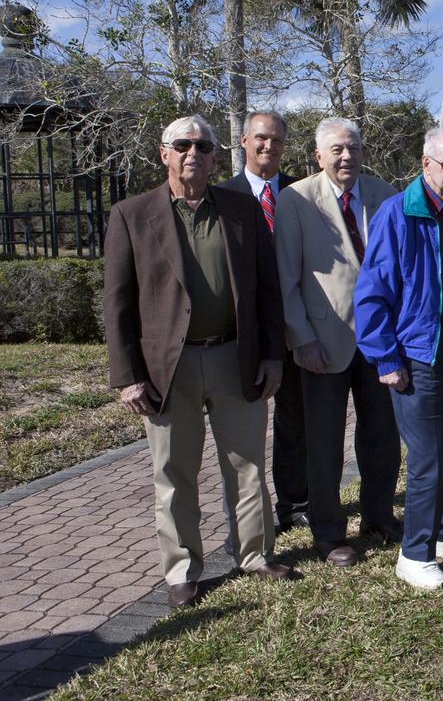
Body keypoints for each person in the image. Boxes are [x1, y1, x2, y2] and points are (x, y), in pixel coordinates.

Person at [103, 115, 291, 609]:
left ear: (214, 155)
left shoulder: (241, 209)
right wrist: (128, 378)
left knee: (248, 466)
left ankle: (254, 554)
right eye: (182, 144)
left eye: (203, 146)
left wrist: (273, 354)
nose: (193, 153)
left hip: (236, 357)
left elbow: (268, 291)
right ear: (163, 153)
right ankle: (182, 568)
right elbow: (117, 304)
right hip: (170, 367)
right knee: (174, 472)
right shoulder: (131, 215)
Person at [354, 127, 443, 590]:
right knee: (428, 457)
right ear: (425, 164)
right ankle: (414, 554)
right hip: (417, 352)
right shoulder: (397, 214)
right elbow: (372, 292)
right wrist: (384, 358)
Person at [274, 117, 402, 567]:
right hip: (322, 344)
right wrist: (301, 338)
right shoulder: (295, 199)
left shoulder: (385, 194)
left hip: (381, 342)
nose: (346, 156)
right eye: (337, 150)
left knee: (383, 436)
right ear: (319, 155)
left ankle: (379, 517)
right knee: (324, 442)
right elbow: (286, 278)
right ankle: (328, 534)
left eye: (353, 148)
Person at [220, 111, 308, 532]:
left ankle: (295, 502)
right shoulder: (223, 196)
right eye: (260, 138)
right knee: (242, 429)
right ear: (243, 141)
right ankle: (245, 517)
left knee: (294, 420)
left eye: (275, 140)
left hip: (292, 326)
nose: (267, 146)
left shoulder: (302, 194)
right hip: (242, 330)